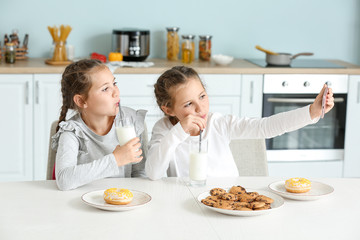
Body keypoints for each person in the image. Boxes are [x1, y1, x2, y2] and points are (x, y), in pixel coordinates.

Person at [145, 66, 334, 180]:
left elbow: (266, 127)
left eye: (202, 97)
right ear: (168, 109)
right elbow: (153, 173)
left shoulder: (219, 123)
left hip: (228, 201)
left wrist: (312, 112)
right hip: (186, 204)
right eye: (188, 104)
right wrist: (179, 132)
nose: (200, 109)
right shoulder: (164, 130)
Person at [52, 59, 147, 190]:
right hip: (81, 202)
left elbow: (140, 174)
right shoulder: (73, 131)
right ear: (81, 100)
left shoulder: (130, 121)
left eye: (114, 83)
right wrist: (115, 160)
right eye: (105, 89)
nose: (116, 92)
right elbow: (64, 180)